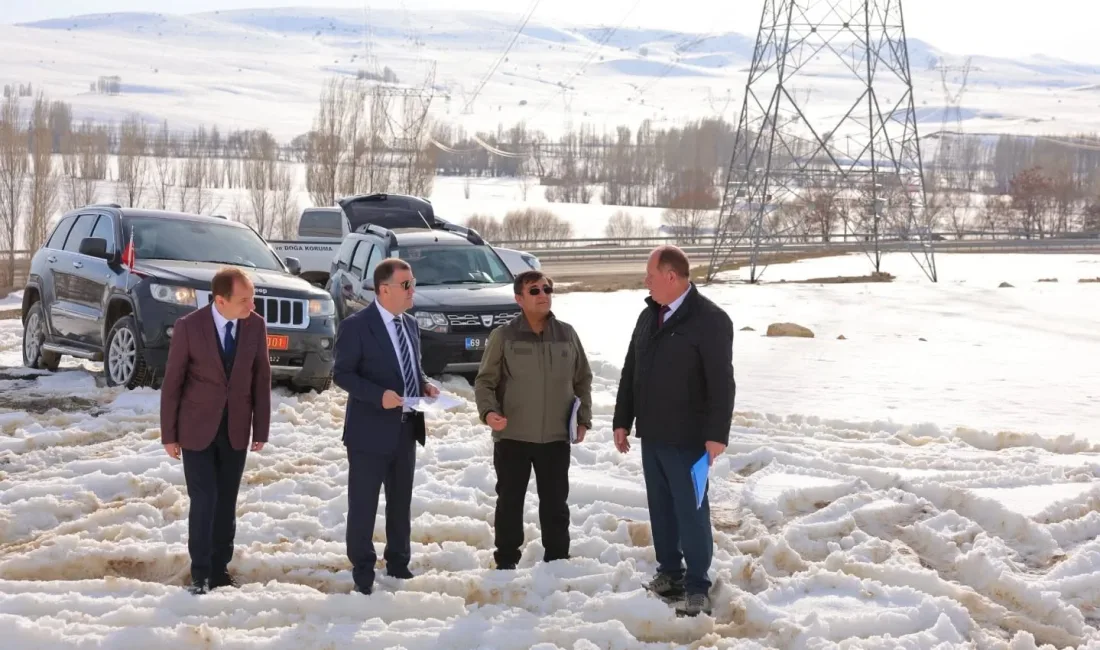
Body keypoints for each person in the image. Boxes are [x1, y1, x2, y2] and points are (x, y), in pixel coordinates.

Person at [612, 245, 735, 617]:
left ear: (671, 276)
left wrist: (717, 434)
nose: (646, 281)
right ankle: (670, 573)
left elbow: (722, 383)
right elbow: (631, 371)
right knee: (661, 509)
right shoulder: (649, 316)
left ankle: (697, 584)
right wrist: (622, 419)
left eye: (651, 275)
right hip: (653, 434)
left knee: (691, 512)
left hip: (690, 439)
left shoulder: (710, 319)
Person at [160, 266, 272, 595]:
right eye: (244, 300)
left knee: (226, 502)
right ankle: (201, 573)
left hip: (236, 429)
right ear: (220, 301)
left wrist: (261, 429)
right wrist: (169, 434)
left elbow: (261, 379)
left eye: (252, 298)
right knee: (204, 498)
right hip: (196, 430)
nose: (251, 306)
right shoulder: (189, 327)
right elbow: (173, 383)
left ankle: (221, 567)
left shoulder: (256, 326)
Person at [332, 257, 440, 595]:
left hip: (406, 428)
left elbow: (412, 367)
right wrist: (379, 396)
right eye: (406, 285)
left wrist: (424, 385)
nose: (413, 290)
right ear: (384, 289)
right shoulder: (357, 326)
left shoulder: (409, 324)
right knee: (364, 505)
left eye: (413, 283)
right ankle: (363, 570)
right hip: (368, 431)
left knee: (400, 502)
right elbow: (342, 374)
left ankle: (398, 563)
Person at [474, 270, 593, 570]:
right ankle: (506, 561)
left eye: (547, 289)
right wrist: (489, 413)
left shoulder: (567, 334)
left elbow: (583, 380)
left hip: (555, 436)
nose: (543, 295)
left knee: (555, 504)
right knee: (510, 502)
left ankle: (557, 560)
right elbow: (485, 381)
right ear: (519, 299)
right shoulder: (504, 336)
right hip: (512, 435)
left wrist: (583, 419)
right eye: (535, 291)